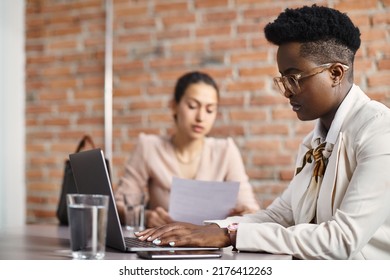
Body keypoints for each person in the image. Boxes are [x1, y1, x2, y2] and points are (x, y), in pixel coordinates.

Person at [135, 5, 390, 259]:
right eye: (283, 80)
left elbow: (342, 240)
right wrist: (210, 229)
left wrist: (229, 236)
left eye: (295, 78)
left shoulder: (379, 130)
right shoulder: (312, 143)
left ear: (335, 73)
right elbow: (279, 215)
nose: (287, 92)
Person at [114, 71, 260, 228]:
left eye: (210, 110)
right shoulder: (149, 147)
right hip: (163, 245)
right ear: (174, 106)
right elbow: (118, 206)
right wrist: (144, 216)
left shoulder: (225, 151)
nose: (201, 117)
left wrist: (243, 215)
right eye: (192, 106)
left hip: (212, 247)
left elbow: (251, 209)